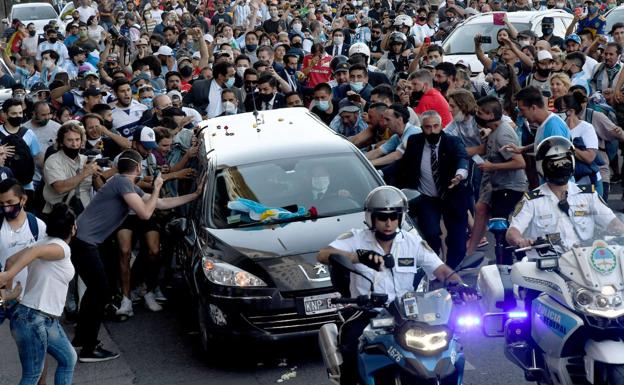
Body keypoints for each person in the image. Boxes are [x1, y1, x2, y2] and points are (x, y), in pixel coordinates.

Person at [316, 186, 476, 385]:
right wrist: (356, 257)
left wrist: (461, 286)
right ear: (371, 218)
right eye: (383, 217)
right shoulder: (356, 238)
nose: (388, 223)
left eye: (394, 217)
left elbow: (441, 270)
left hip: (408, 314)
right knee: (350, 342)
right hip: (369, 311)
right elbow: (322, 254)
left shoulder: (412, 242)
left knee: (448, 343)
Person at [70, 149, 204, 362]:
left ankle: (82, 338)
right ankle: (89, 348)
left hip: (84, 242)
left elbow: (157, 204)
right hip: (84, 243)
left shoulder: (124, 183)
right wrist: (158, 186)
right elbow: (146, 213)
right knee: (101, 291)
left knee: (96, 290)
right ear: (139, 167)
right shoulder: (122, 181)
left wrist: (194, 195)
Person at [0, 203, 77, 385]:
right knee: (33, 374)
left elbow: (10, 261)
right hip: (33, 319)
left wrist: (8, 296)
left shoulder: (44, 241)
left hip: (40, 318)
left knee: (68, 359)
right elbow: (33, 253)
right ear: (73, 228)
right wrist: (9, 277)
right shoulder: (61, 248)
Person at [507, 136, 624, 249]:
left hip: (584, 260)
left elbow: (613, 222)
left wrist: (620, 230)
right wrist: (520, 241)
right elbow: (513, 231)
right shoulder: (531, 200)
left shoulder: (588, 195)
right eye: (554, 164)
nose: (560, 167)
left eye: (564, 162)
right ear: (542, 166)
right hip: (548, 264)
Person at [387, 110, 470, 269]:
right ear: (422, 127)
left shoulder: (452, 142)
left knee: (458, 242)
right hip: (427, 198)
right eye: (427, 127)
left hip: (452, 196)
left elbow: (462, 158)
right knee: (430, 235)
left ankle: (451, 270)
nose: (432, 131)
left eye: (435, 126)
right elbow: (402, 163)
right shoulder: (414, 141)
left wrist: (459, 176)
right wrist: (381, 172)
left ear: (441, 126)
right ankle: (435, 266)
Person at [466, 96, 528, 259]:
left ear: (490, 115)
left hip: (511, 187)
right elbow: (482, 149)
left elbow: (520, 162)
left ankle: (510, 260)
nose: (477, 116)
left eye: (480, 113)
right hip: (497, 185)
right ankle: (472, 252)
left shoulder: (503, 135)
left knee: (500, 227)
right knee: (482, 211)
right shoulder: (494, 131)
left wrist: (492, 167)